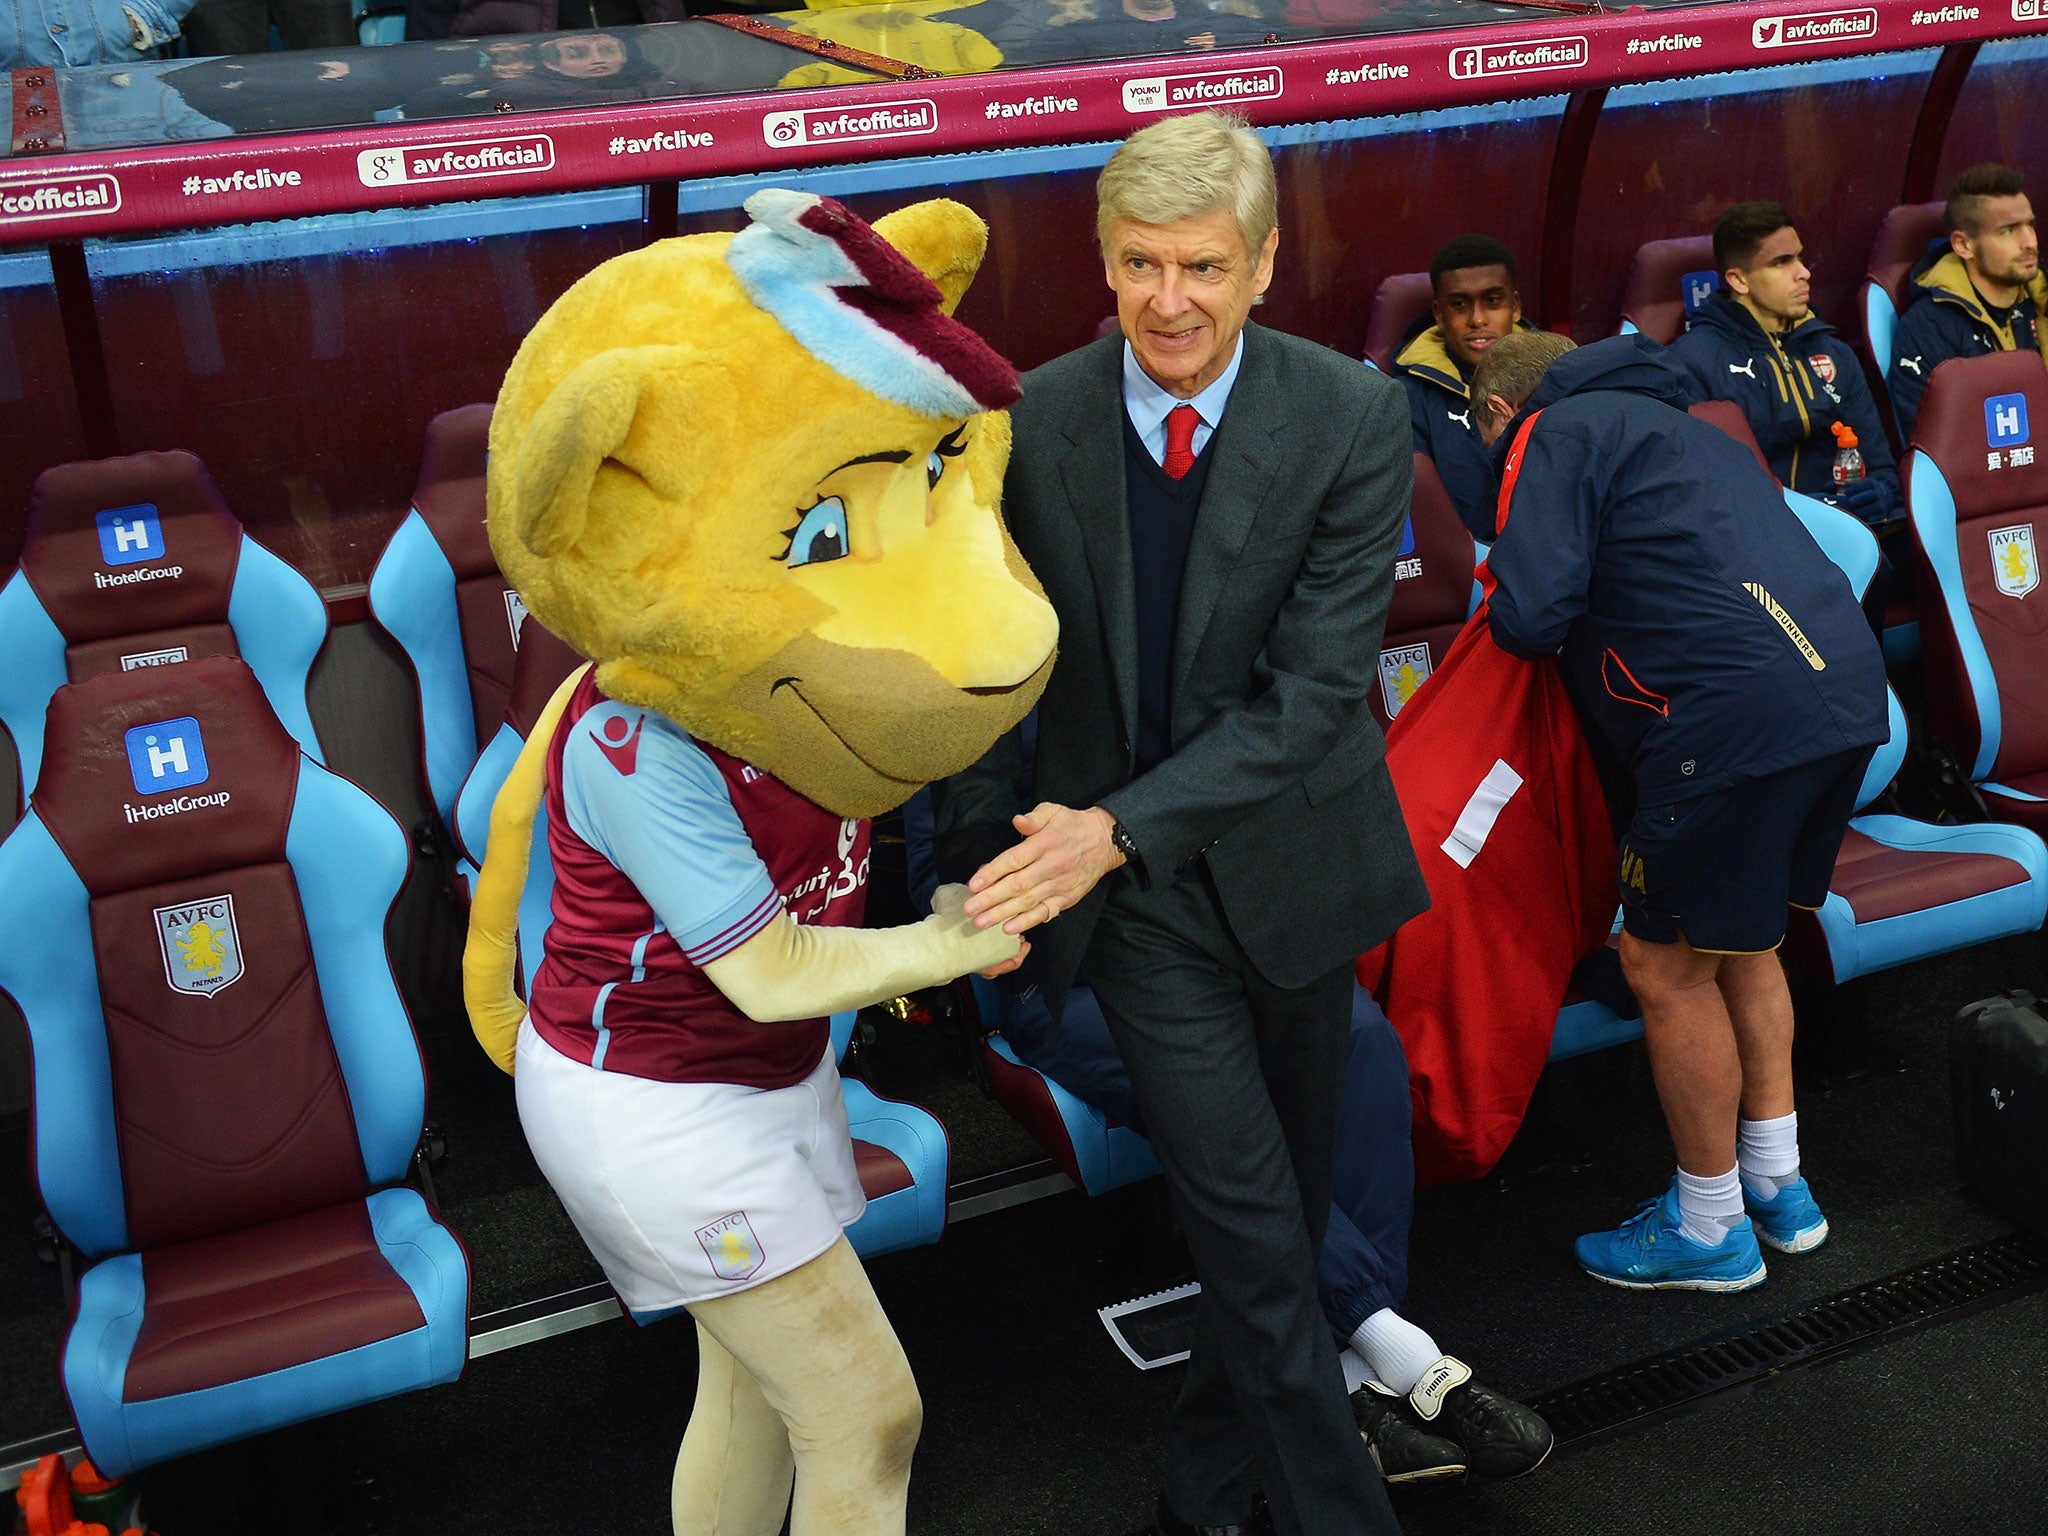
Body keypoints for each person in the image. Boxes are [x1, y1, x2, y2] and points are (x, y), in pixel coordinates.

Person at [933, 109, 1428, 1536]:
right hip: (1129, 913)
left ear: (1264, 267)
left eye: (1203, 268)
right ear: (1103, 261)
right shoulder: (1031, 419)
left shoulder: (1348, 414)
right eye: (1140, 264)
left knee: (1276, 1223)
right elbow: (989, 671)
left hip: (1296, 881)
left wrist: (1118, 823)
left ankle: (1206, 1500)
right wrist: (993, 873)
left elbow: (1319, 695)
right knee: (1263, 1251)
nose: (1169, 301)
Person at [1472, 330, 1889, 1292]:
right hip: (1842, 694)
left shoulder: (1549, 430)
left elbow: (1529, 617)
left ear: (1497, 415)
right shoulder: (1692, 423)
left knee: (1662, 966)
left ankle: (1707, 1227)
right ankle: (1778, 1188)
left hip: (1724, 722)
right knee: (1743, 942)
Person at [1669, 201, 1901, 526]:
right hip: (1763, 539)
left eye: (1800, 257)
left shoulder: (1835, 354)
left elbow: (1881, 465)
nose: (1803, 272)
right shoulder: (1692, 364)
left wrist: (1882, 491)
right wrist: (1796, 510)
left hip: (1855, 529)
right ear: (1739, 281)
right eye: (1781, 262)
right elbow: (1707, 491)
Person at [1890, 163, 2046, 441]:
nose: (2030, 242)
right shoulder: (1928, 328)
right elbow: (1938, 448)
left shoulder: (2041, 296)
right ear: (1963, 245)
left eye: (2030, 225)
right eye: (2008, 231)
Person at [1392, 234, 1527, 540]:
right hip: (1462, 573)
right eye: (1460, 305)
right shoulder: (1408, 399)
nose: (1477, 320)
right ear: (1439, 314)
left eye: (1493, 301)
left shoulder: (1558, 373)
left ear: (1515, 306)